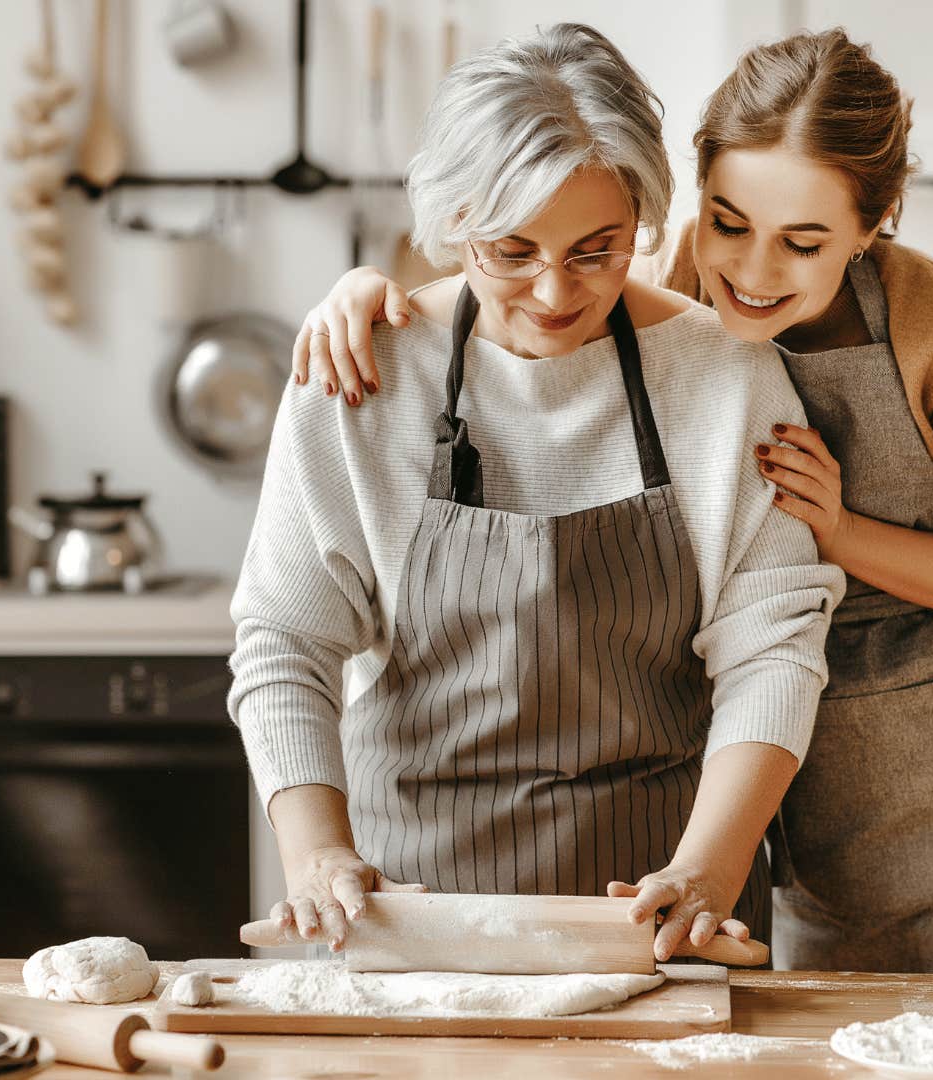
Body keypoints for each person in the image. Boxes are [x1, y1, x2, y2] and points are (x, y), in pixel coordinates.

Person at [288, 27, 933, 975]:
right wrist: (373, 297)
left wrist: (838, 533)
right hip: (786, 781)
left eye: (803, 243)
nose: (754, 273)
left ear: (877, 221)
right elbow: (539, 272)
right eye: (729, 223)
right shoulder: (674, 291)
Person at [229, 23, 843, 963]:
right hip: (410, 917)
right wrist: (316, 856)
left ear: (643, 218)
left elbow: (774, 649)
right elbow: (285, 639)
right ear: (453, 225)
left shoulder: (725, 379)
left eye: (599, 250)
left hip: (661, 915)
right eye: (511, 252)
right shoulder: (362, 374)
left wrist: (710, 873)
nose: (557, 292)